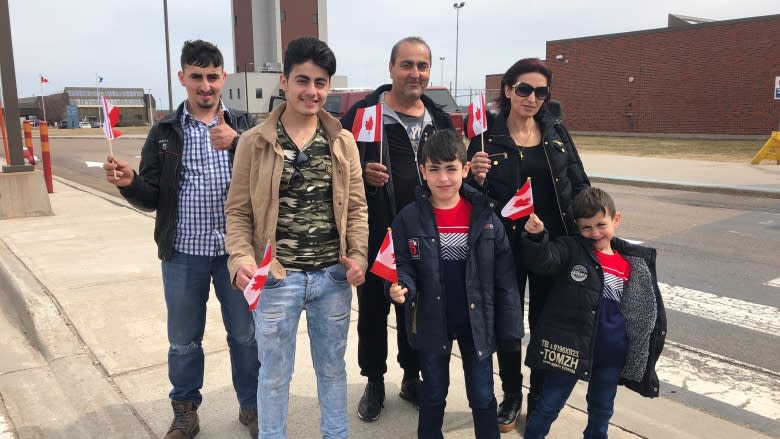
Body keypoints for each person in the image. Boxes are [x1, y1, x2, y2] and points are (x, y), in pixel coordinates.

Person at [103, 40, 259, 438]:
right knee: (183, 340)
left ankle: (252, 406)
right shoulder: (164, 132)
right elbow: (152, 196)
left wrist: (239, 143)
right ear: (182, 78)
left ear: (224, 78)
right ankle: (186, 410)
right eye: (197, 77)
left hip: (236, 255)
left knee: (245, 334)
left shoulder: (245, 125)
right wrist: (131, 183)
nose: (205, 85)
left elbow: (269, 178)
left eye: (212, 77)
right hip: (182, 253)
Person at [225, 36, 368, 439]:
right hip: (275, 280)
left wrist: (357, 254)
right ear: (284, 82)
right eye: (302, 80)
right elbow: (237, 211)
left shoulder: (342, 142)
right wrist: (241, 260)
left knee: (332, 371)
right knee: (273, 375)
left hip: (332, 280)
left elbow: (356, 207)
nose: (312, 91)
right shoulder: (253, 142)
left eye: (320, 82)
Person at [467, 57, 590, 431]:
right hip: (504, 247)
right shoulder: (486, 138)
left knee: (546, 323)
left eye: (540, 91)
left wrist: (593, 228)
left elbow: (580, 183)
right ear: (507, 90)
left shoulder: (557, 134)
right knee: (509, 325)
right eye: (524, 89)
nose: (532, 97)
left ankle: (537, 395)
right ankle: (512, 394)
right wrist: (475, 177)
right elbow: (470, 199)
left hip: (552, 246)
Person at [340, 36, 454, 422]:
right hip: (376, 234)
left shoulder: (438, 118)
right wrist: (360, 170)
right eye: (407, 65)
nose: (415, 73)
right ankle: (375, 380)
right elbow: (336, 168)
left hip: (425, 235)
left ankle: (410, 377)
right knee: (373, 311)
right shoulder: (362, 114)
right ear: (391, 69)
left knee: (415, 310)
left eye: (422, 66)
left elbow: (452, 168)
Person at [388, 129, 523, 439]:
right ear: (423, 171)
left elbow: (504, 277)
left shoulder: (486, 217)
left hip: (477, 324)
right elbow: (401, 263)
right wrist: (400, 285)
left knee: (482, 395)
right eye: (434, 169)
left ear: (465, 169)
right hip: (432, 321)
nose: (443, 178)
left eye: (451, 168)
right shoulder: (408, 219)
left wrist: (510, 326)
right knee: (433, 395)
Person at [520, 187, 667, 438]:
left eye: (601, 224)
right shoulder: (571, 249)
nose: (595, 233)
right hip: (570, 349)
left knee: (601, 411)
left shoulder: (629, 263)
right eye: (587, 227)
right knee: (548, 406)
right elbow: (545, 260)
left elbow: (639, 311)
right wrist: (537, 237)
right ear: (577, 227)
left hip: (611, 352)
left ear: (616, 219)